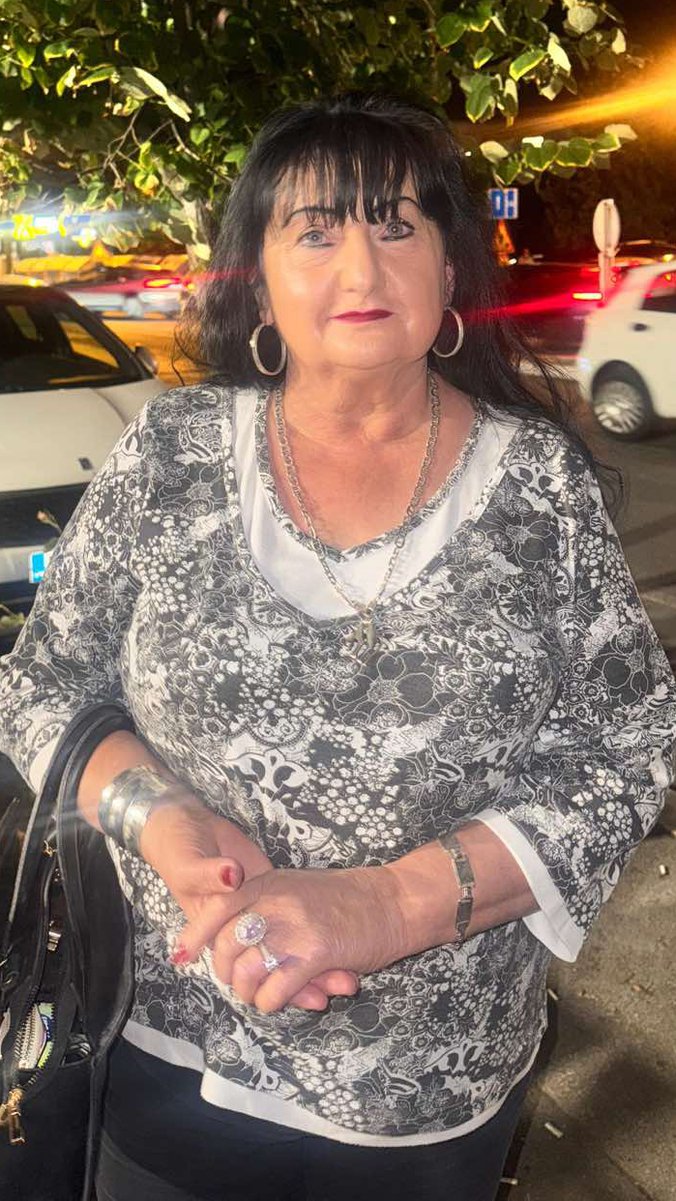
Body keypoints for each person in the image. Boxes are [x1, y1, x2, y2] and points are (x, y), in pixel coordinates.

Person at [1, 93, 674, 1201]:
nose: (361, 265)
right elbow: (40, 684)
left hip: (432, 1096)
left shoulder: (541, 488)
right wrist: (164, 822)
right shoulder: (170, 453)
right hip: (168, 1049)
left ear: (449, 270)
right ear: (257, 277)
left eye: (397, 224)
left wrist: (391, 904)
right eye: (314, 230)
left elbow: (628, 746)